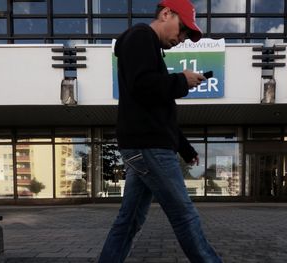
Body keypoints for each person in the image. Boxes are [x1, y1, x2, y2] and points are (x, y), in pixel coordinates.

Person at [98, 0, 223, 262]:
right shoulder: (141, 37)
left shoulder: (149, 46)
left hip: (145, 145)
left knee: (129, 221)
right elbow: (142, 85)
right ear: (166, 13)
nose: (183, 39)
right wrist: (181, 80)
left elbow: (158, 114)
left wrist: (185, 149)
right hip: (148, 147)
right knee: (184, 214)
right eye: (183, 30)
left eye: (188, 36)